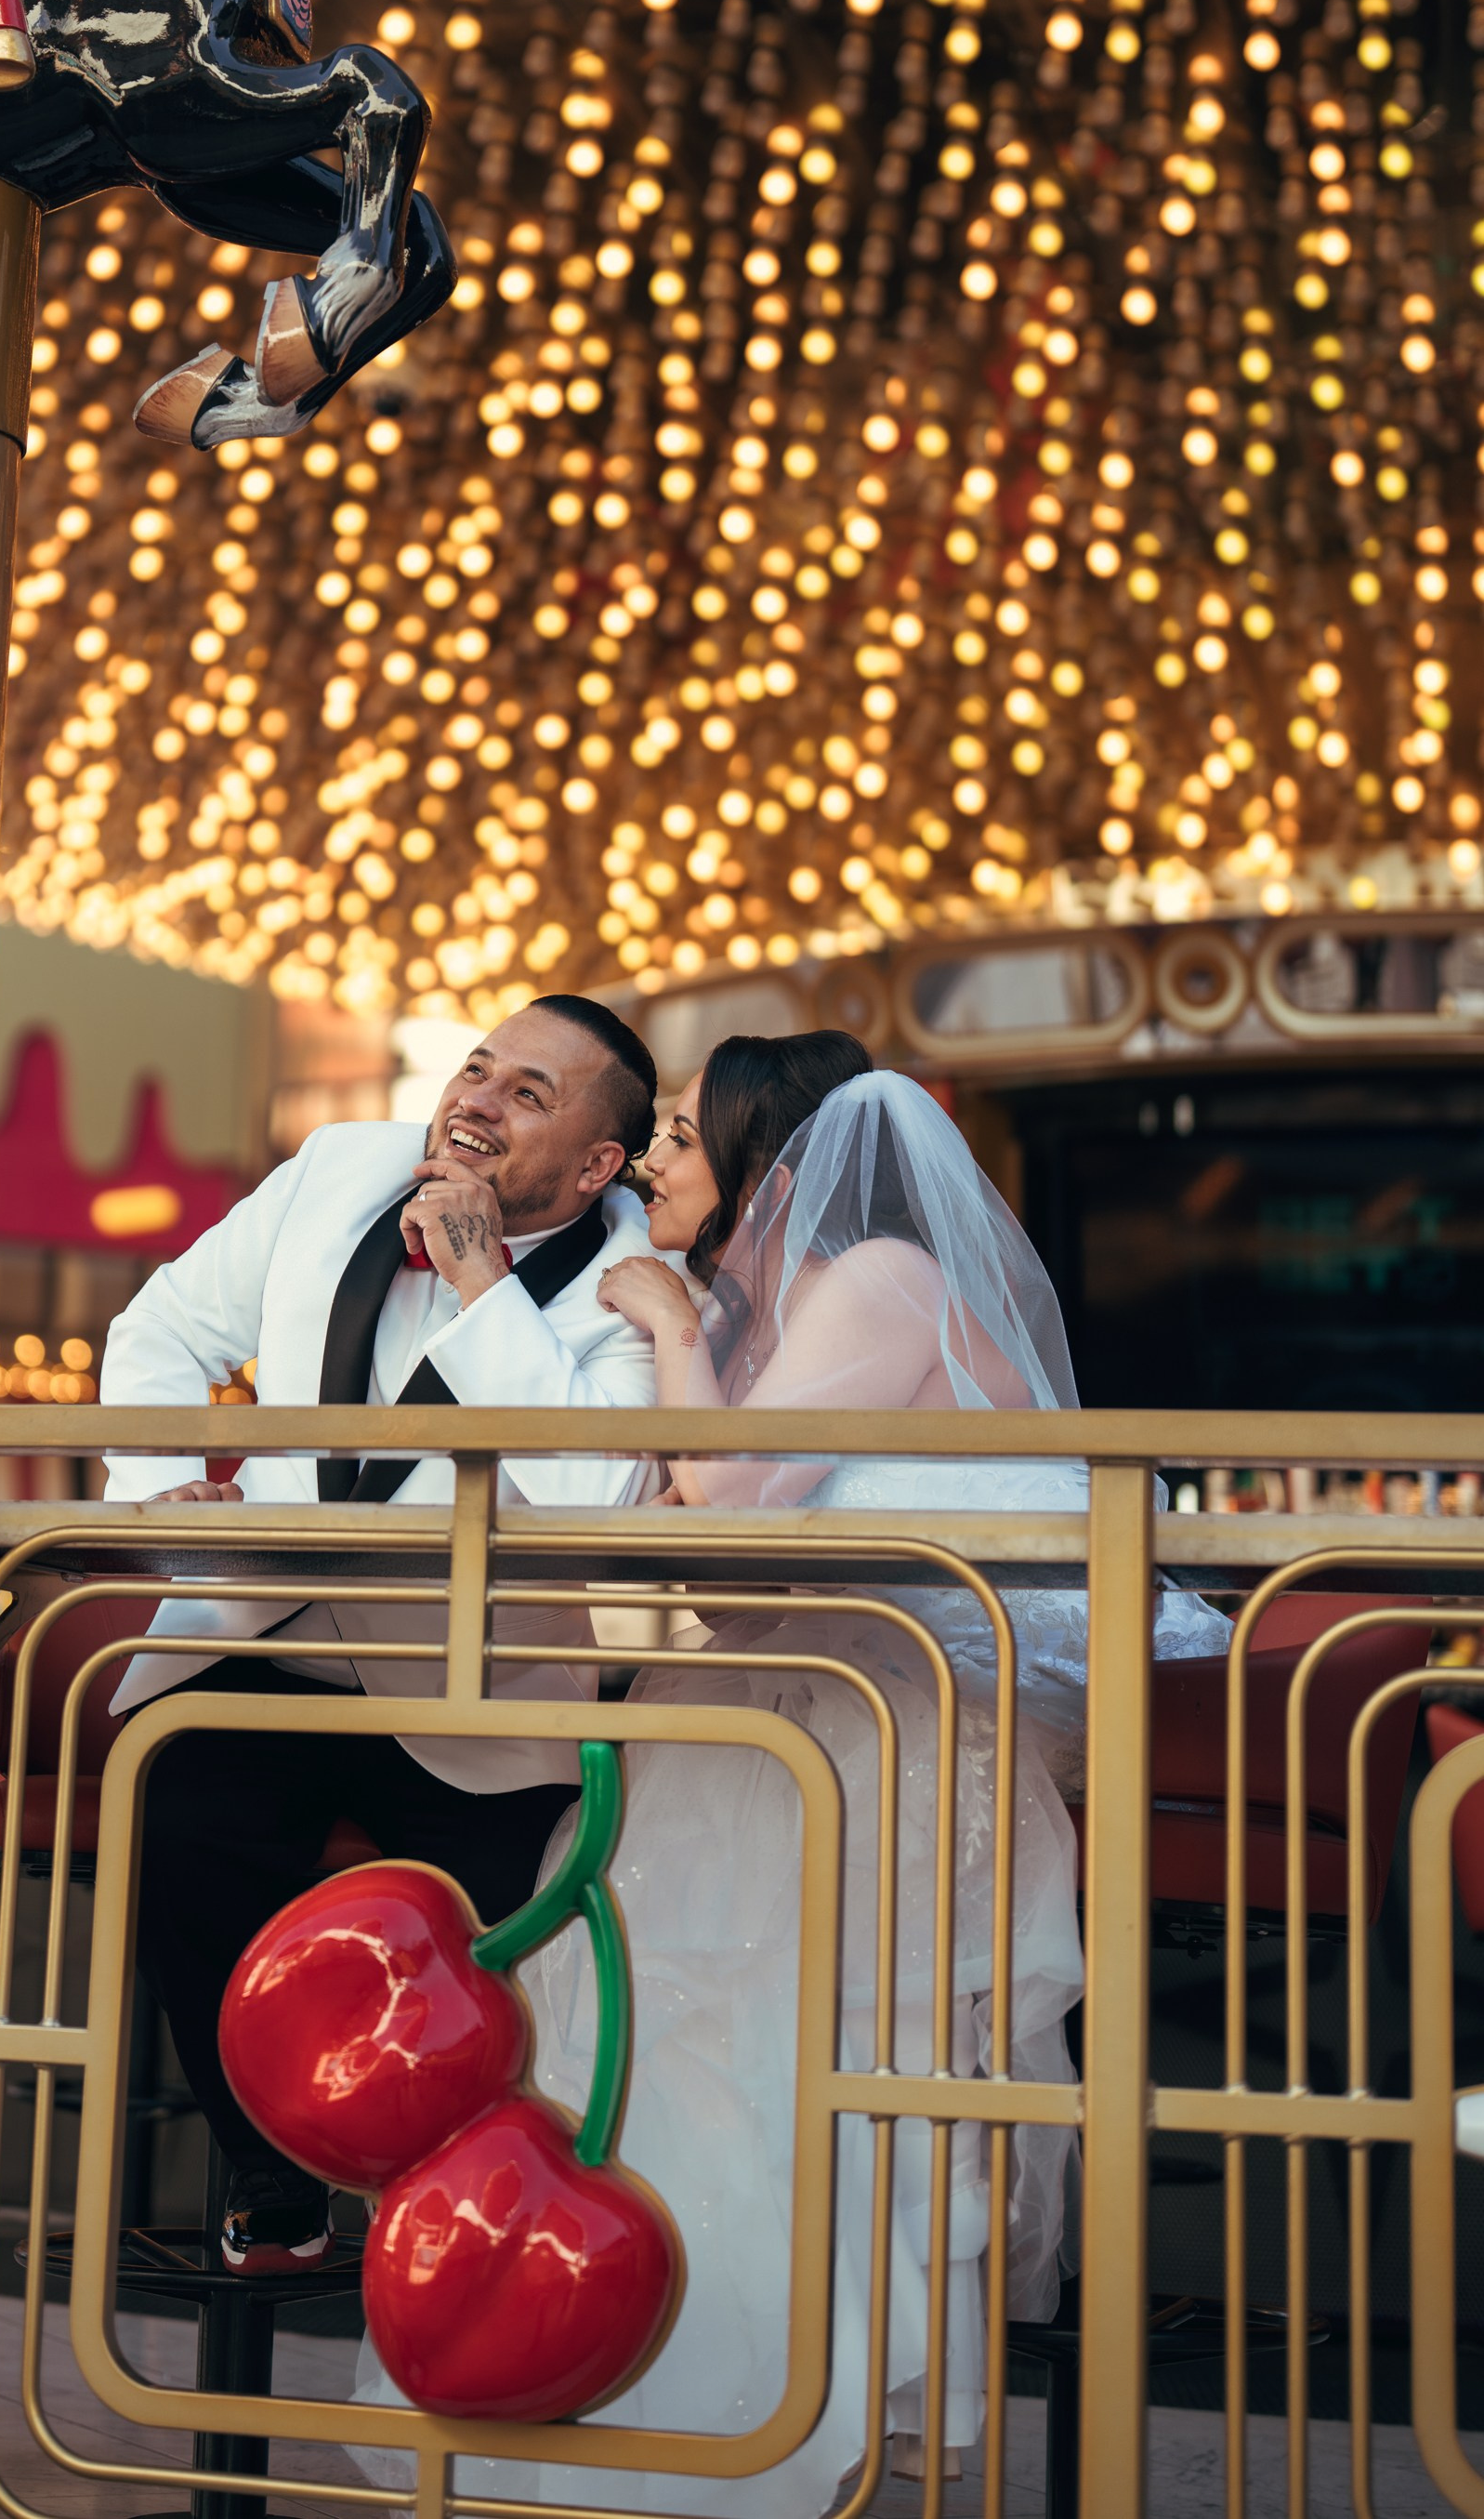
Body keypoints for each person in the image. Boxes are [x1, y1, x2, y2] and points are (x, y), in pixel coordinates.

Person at [432, 1035, 1230, 2511]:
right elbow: (725, 1564)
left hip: (895, 1738)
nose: (660, 1164)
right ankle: (641, 2411)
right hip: (777, 1711)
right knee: (677, 2030)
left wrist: (671, 1322)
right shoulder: (774, 1308)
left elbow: (728, 1499)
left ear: (759, 1155)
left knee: (830, 2054)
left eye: (680, 1135)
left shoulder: (877, 1280)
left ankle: (810, 2417)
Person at [98, 994, 665, 2274]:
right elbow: (163, 1332)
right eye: (478, 1068)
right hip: (265, 1631)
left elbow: (600, 1496)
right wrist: (163, 1498)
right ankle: (262, 2163)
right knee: (185, 1803)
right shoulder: (341, 1166)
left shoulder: (642, 1277)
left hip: (472, 1697)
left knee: (505, 1949)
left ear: (596, 1165)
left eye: (529, 1093)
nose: (476, 1098)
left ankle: (465, 2223)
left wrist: (481, 1281)